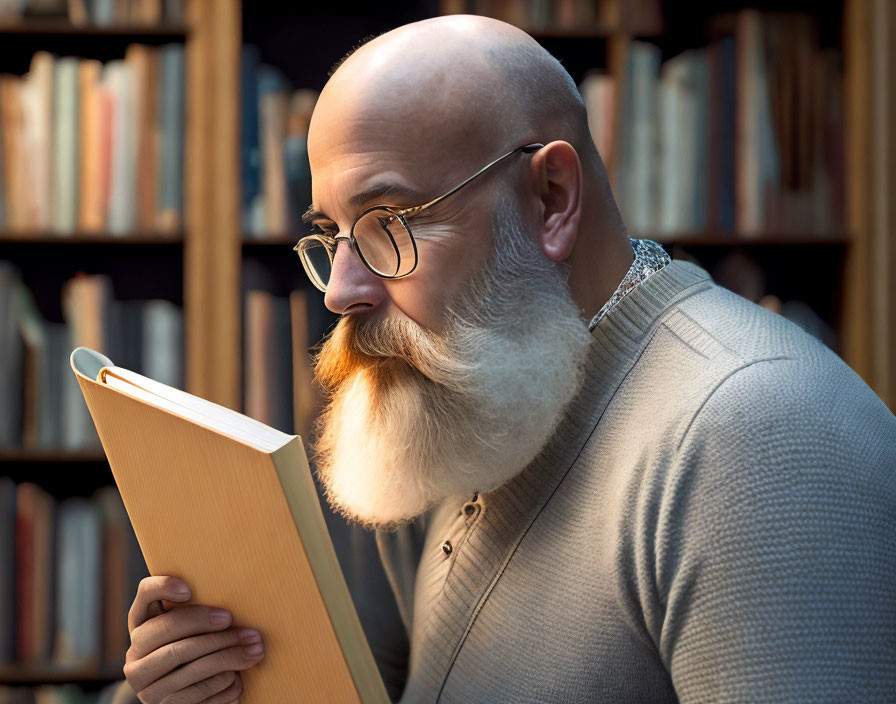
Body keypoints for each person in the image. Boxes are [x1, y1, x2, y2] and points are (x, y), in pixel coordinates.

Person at [111, 14, 896, 704]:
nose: (340, 291)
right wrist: (214, 685)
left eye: (390, 222)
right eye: (331, 236)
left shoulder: (763, 437)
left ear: (551, 196)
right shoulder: (470, 389)